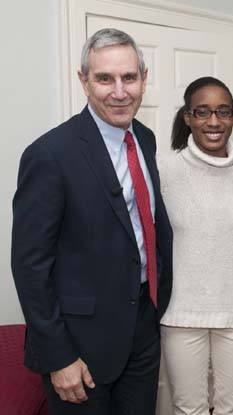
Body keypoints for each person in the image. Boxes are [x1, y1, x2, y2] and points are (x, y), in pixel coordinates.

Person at [11, 28, 173, 415]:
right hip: (78, 348)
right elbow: (30, 266)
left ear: (144, 80)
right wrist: (57, 356)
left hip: (142, 331)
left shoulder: (145, 140)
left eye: (129, 78)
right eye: (105, 78)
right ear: (83, 81)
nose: (119, 91)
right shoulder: (50, 155)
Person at [157, 76, 233, 415]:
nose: (214, 122)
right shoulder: (164, 170)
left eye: (223, 112)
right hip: (181, 314)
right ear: (187, 117)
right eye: (202, 112)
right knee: (189, 409)